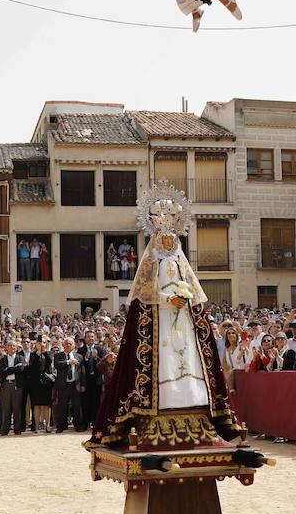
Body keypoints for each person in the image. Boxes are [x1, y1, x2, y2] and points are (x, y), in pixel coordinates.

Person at [89, 189, 241, 449]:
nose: (169, 239)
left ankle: (197, 410)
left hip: (182, 319)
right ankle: (158, 410)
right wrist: (166, 299)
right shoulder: (151, 260)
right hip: (159, 319)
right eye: (164, 235)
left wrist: (185, 298)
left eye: (172, 235)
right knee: (163, 358)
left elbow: (192, 288)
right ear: (157, 236)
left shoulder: (181, 261)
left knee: (190, 356)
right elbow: (143, 291)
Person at [0, 340, 28, 435]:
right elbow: (2, 372)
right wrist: (14, 368)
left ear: (16, 347)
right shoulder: (2, 359)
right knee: (6, 408)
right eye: (9, 345)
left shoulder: (21, 358)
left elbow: (22, 369)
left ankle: (17, 429)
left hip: (17, 385)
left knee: (17, 408)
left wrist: (9, 370)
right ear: (6, 347)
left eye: (13, 346)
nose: (11, 347)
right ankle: (5, 430)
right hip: (6, 385)